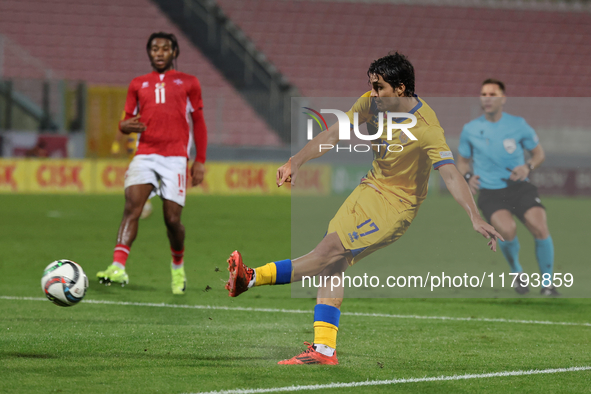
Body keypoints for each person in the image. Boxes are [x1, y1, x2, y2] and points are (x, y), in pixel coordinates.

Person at [225, 53, 502, 365]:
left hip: (395, 207)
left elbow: (450, 173)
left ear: (400, 88)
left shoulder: (426, 127)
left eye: (379, 87)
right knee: (333, 263)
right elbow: (333, 133)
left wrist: (474, 216)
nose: (372, 93)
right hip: (369, 188)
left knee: (327, 253)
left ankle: (250, 278)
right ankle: (324, 350)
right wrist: (296, 160)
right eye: (371, 86)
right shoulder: (371, 104)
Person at [97, 32, 208, 295]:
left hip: (175, 157)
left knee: (172, 219)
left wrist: (200, 160)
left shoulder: (189, 83)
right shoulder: (138, 84)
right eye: (154, 49)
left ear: (174, 53)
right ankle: (117, 266)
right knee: (131, 207)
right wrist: (123, 126)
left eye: (165, 48)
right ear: (148, 53)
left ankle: (177, 265)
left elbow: (199, 122)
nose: (159, 53)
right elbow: (126, 120)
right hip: (145, 153)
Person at [457, 79, 558, 296]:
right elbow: (463, 161)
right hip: (491, 192)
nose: (487, 98)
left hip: (519, 187)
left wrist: (527, 167)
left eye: (493, 94)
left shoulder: (518, 125)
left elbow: (539, 154)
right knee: (507, 230)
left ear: (503, 98)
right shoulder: (470, 129)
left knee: (539, 226)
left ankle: (548, 285)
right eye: (484, 94)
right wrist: (468, 176)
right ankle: (517, 272)